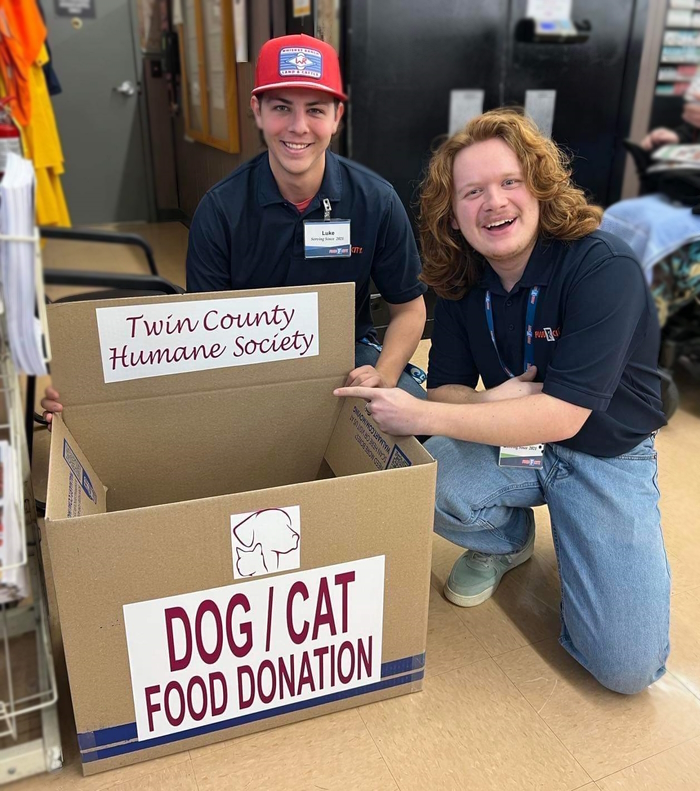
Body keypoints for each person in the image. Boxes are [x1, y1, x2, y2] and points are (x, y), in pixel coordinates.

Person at [335, 109, 670, 695]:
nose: (494, 202)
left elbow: (562, 414)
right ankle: (507, 543)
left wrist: (420, 413)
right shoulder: (463, 282)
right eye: (472, 191)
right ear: (454, 213)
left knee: (625, 670)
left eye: (509, 182)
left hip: (603, 455)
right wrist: (501, 401)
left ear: (539, 187)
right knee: (434, 476)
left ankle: (587, 533)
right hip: (525, 448)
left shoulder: (601, 267)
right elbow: (445, 386)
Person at [41, 33, 427, 424]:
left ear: (337, 117)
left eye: (315, 109)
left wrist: (386, 372)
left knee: (412, 425)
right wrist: (86, 393)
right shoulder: (220, 210)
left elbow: (410, 309)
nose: (298, 127)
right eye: (281, 108)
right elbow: (202, 341)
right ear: (257, 111)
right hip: (245, 364)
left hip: (344, 357)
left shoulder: (376, 200)